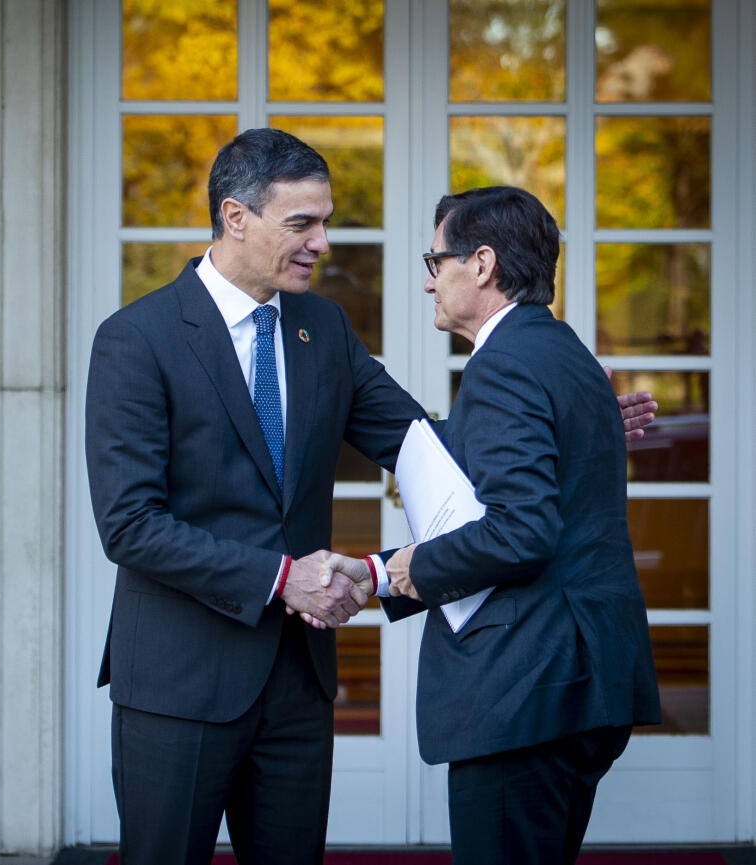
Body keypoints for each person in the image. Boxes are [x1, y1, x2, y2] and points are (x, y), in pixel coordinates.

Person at [83, 130, 657, 864]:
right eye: (302, 224)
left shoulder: (321, 327)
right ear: (235, 217)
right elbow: (130, 524)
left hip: (297, 679)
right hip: (177, 677)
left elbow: (419, 438)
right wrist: (282, 577)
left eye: (324, 222)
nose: (322, 242)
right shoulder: (137, 338)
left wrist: (571, 423)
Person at [315, 186, 661, 865]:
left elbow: (520, 529)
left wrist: (396, 570)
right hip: (584, 679)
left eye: (434, 259)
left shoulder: (504, 362)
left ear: (480, 263)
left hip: (524, 686)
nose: (426, 279)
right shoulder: (563, 352)